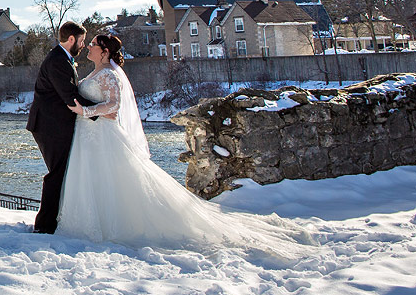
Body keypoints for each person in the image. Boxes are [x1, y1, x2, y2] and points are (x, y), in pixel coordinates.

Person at [58, 33, 301, 248]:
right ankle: (88, 223)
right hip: (89, 136)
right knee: (93, 178)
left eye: (92, 44)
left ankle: (113, 225)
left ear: (105, 51)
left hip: (103, 136)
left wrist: (85, 112)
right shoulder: (96, 71)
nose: (88, 47)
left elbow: (114, 106)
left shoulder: (110, 74)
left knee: (114, 179)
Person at [27, 21, 101, 234]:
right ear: (71, 40)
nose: (83, 45)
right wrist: (100, 112)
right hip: (49, 125)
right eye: (82, 41)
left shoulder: (61, 58)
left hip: (52, 123)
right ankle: (44, 225)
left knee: (61, 171)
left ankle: (53, 220)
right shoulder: (58, 61)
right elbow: (70, 99)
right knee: (57, 173)